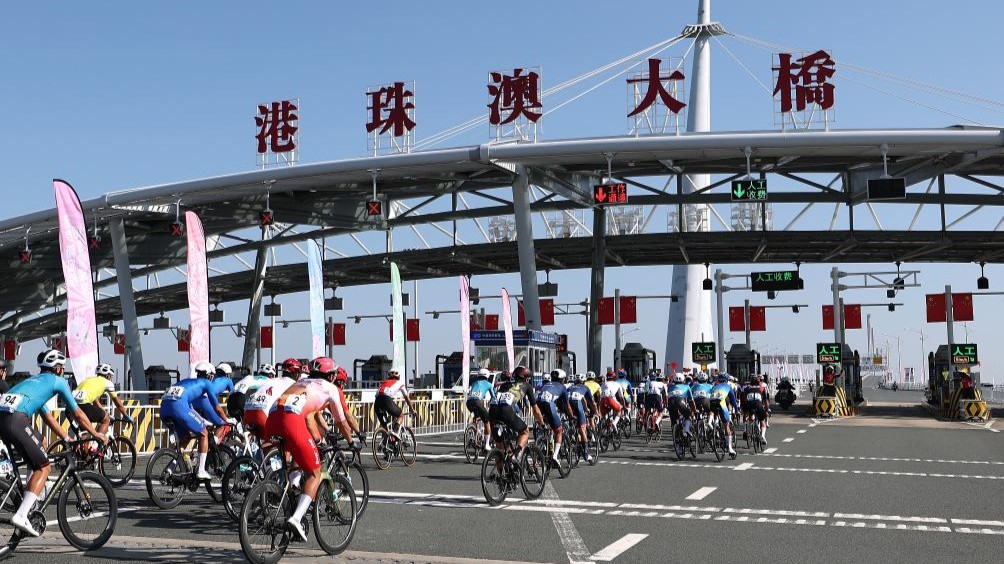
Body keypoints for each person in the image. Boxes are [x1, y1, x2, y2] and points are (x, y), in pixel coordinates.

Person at [0, 350, 107, 536]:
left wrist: (66, 438)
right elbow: (79, 414)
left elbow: (48, 417)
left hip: (3, 418)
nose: (62, 371)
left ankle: (28, 497)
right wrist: (96, 434)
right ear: (58, 369)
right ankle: (22, 514)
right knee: (44, 466)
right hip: (15, 420)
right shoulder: (58, 382)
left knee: (38, 447)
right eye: (62, 368)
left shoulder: (33, 382)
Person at [265, 357, 358, 542]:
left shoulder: (301, 381)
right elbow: (341, 421)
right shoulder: (331, 388)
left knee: (296, 458)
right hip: (291, 420)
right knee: (315, 473)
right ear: (331, 376)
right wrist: (351, 441)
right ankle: (296, 518)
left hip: (272, 419)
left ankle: (293, 489)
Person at [159, 361, 228, 482]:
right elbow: (216, 407)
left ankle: (170, 468)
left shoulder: (186, 382)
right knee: (204, 433)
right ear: (210, 375)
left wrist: (202, 421)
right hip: (178, 407)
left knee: (185, 438)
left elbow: (190, 408)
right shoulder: (207, 383)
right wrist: (226, 420)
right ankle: (201, 470)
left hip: (164, 409)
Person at [242, 358, 299, 443]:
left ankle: (256, 455)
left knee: (264, 439)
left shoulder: (273, 380)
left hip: (247, 412)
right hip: (261, 413)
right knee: (282, 441)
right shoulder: (293, 384)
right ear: (297, 374)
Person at [72, 363, 133, 437]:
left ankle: (79, 448)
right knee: (106, 420)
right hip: (83, 406)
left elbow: (95, 402)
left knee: (84, 432)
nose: (111, 379)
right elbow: (117, 403)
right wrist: (126, 415)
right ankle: (98, 443)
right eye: (111, 377)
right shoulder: (108, 383)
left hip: (70, 406)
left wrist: (105, 413)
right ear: (108, 376)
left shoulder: (89, 380)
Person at [488, 367, 533, 454]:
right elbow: (535, 409)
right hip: (506, 410)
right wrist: (542, 424)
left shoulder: (503, 385)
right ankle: (515, 455)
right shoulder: (526, 385)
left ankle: (500, 467)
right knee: (525, 431)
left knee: (499, 446)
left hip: (492, 411)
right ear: (526, 379)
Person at [533, 369, 571, 465]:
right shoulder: (562, 387)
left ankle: (545, 445)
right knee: (558, 430)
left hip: (538, 403)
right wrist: (571, 416)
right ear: (562, 379)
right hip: (548, 403)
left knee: (547, 426)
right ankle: (554, 456)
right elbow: (567, 406)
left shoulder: (546, 385)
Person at [375, 369, 414, 435]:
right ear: (398, 376)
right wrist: (412, 409)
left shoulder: (384, 382)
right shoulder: (400, 383)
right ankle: (394, 434)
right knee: (401, 415)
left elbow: (378, 394)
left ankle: (385, 442)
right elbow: (406, 397)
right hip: (386, 399)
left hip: (377, 401)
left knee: (385, 425)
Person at [567, 373, 596, 462]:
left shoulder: (570, 387)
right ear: (583, 381)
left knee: (571, 421)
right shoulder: (585, 388)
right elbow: (591, 404)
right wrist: (591, 414)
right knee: (582, 428)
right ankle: (586, 454)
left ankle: (570, 436)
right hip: (576, 405)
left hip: (566, 405)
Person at [710, 373, 739, 456]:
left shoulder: (714, 386)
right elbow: (733, 400)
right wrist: (736, 410)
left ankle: (713, 425)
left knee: (714, 413)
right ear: (727, 380)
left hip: (712, 404)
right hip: (722, 404)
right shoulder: (728, 386)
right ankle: (730, 449)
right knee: (726, 426)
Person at [466, 368, 495, 448]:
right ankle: (487, 444)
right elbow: (493, 397)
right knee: (487, 422)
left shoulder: (474, 383)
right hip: (478, 402)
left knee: (477, 416)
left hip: (469, 402)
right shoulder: (489, 384)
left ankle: (476, 431)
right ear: (487, 376)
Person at [741, 375, 769, 444]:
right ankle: (762, 436)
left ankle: (749, 433)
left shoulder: (747, 388)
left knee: (750, 418)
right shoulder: (762, 388)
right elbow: (766, 401)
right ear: (758, 382)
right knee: (762, 420)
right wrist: (767, 409)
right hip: (758, 404)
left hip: (749, 404)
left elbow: (743, 399)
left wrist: (744, 409)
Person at [666, 373, 697, 437]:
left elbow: (665, 396)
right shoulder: (686, 387)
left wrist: (666, 406)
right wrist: (694, 410)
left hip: (670, 402)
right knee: (688, 415)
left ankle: (676, 434)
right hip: (680, 401)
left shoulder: (669, 387)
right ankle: (686, 429)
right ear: (683, 380)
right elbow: (691, 400)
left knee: (674, 420)